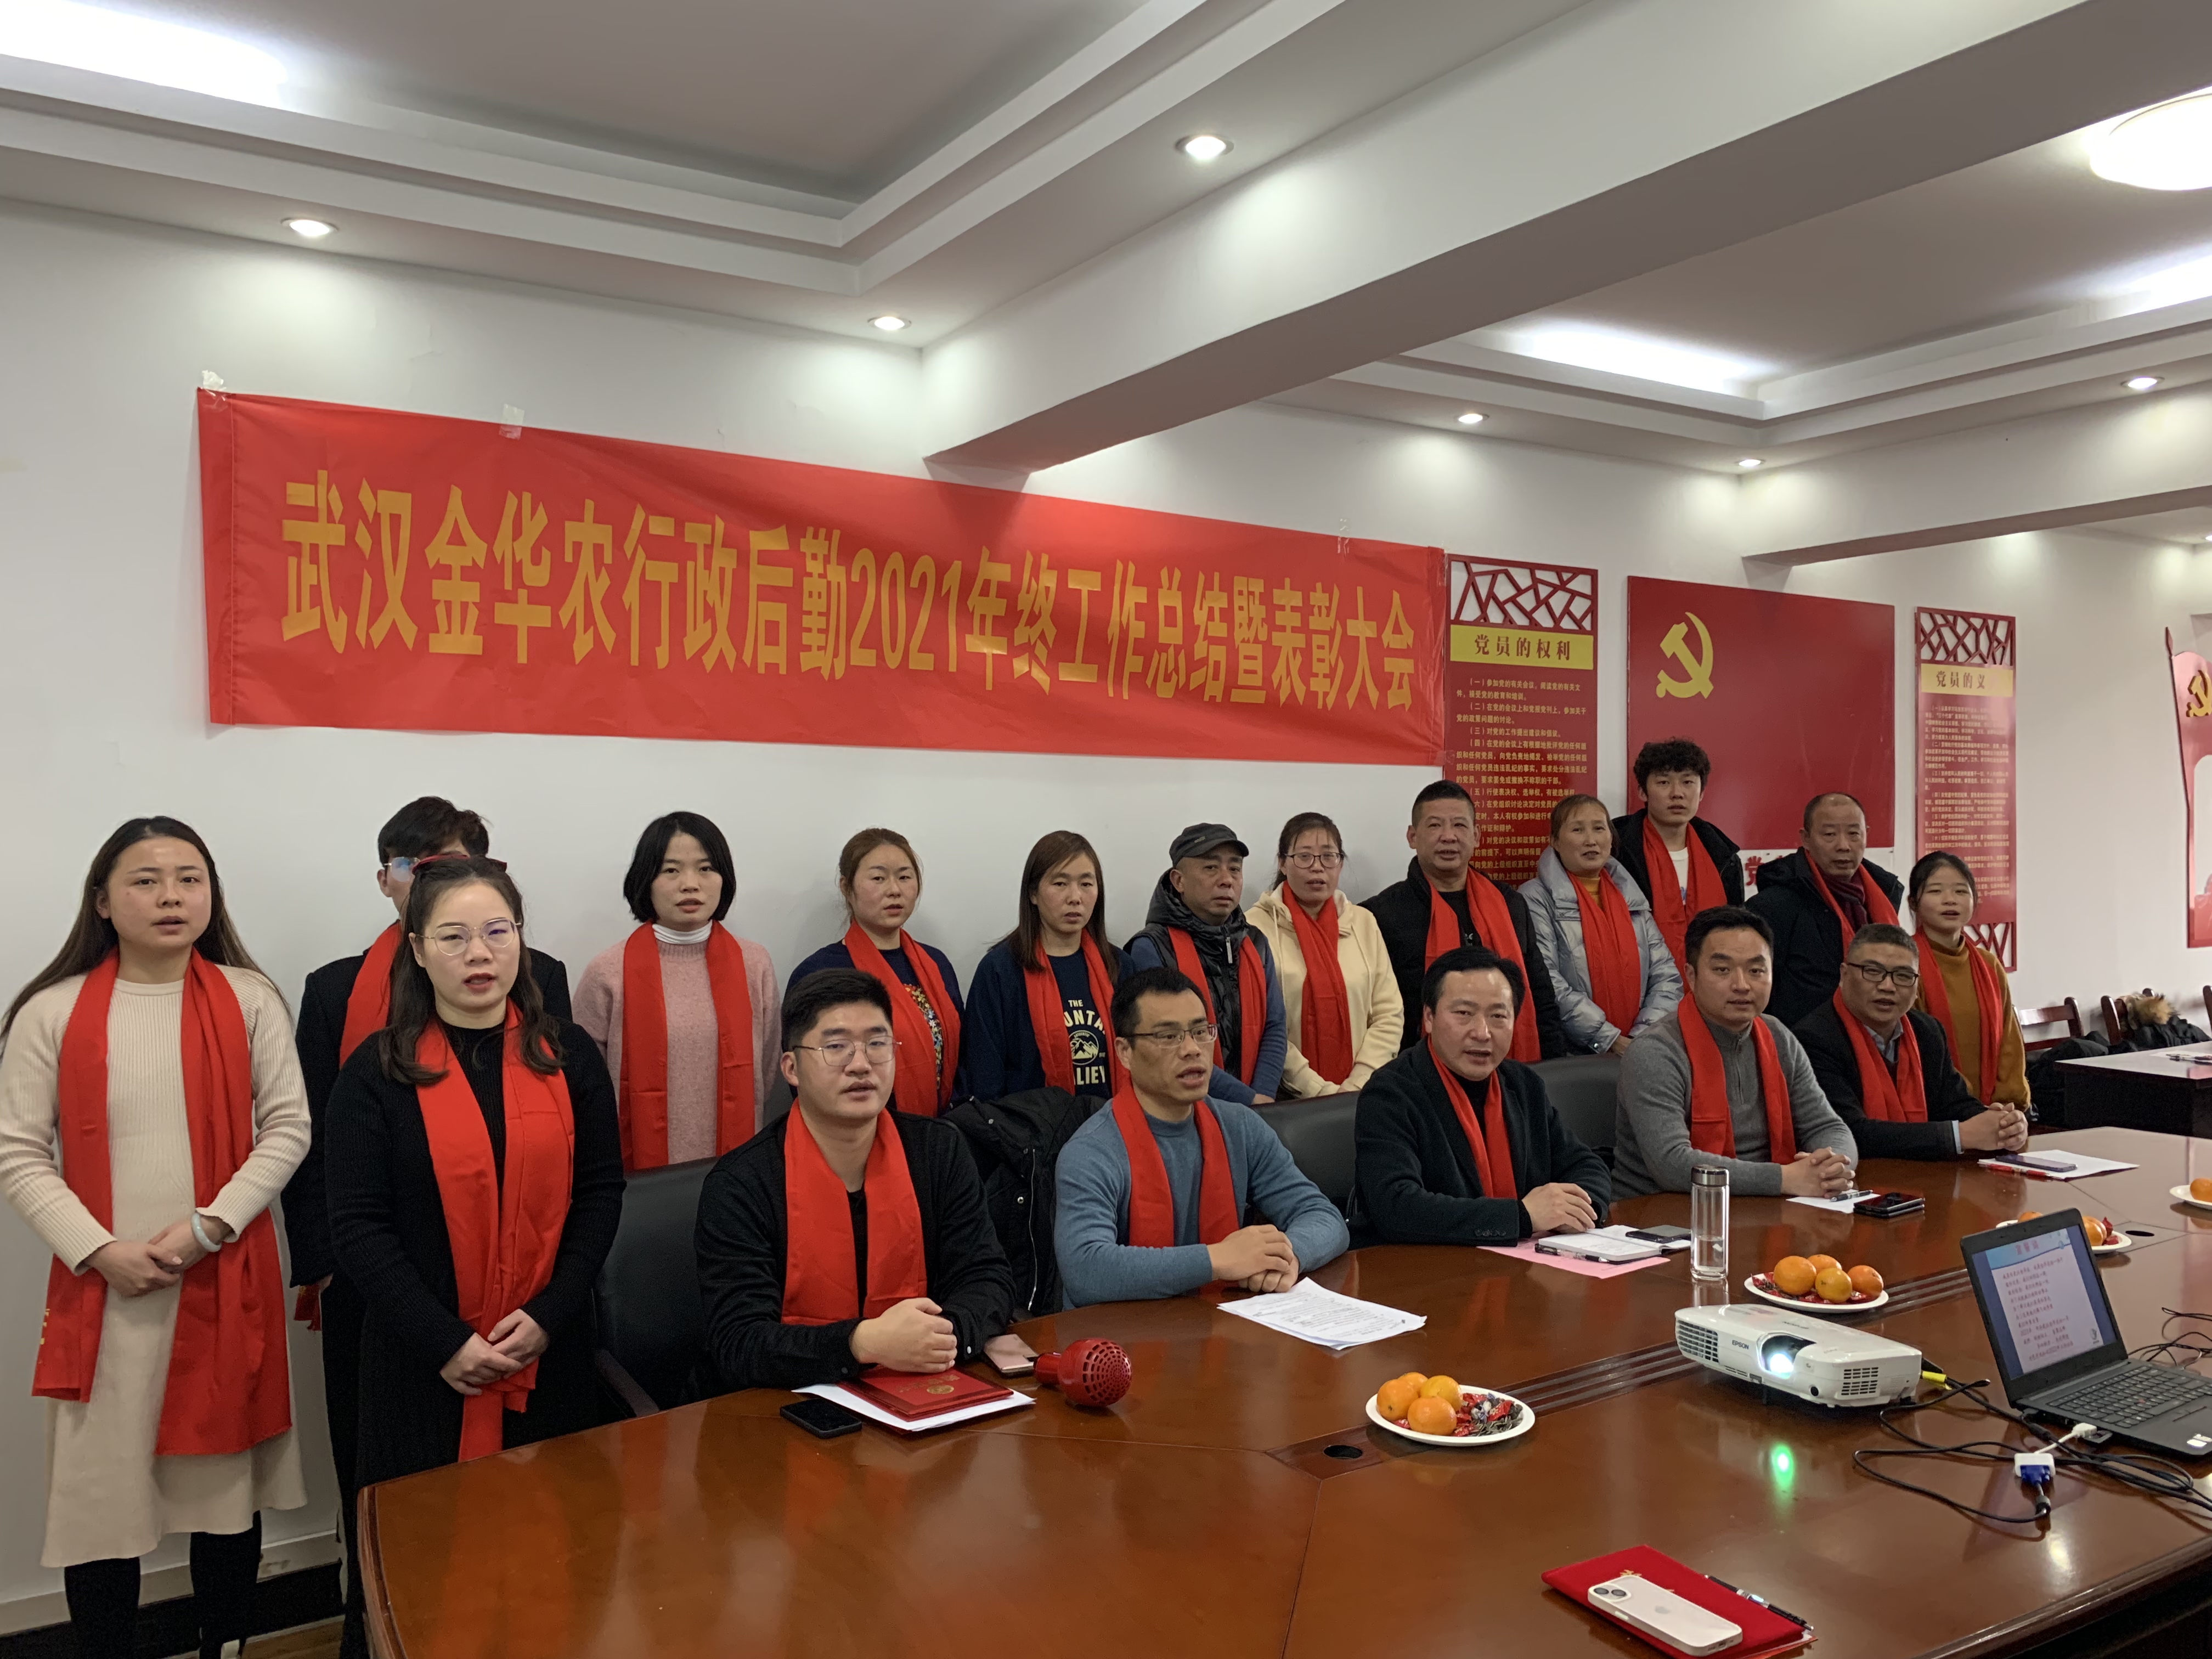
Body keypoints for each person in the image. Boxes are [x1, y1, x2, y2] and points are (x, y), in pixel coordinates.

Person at [0, 818, 308, 1659]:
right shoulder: (51, 1012)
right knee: (100, 1509)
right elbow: (17, 1151)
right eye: (145, 880)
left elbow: (288, 1127)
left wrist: (210, 1227)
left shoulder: (250, 999)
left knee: (224, 1500)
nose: (171, 896)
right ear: (102, 901)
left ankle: (226, 1646)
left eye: (189, 878)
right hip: (105, 1297)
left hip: (220, 1278)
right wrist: (101, 1251)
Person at [280, 793, 568, 1619]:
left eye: (455, 862)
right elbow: (315, 1142)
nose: (477, 952)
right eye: (417, 864)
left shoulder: (543, 983)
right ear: (388, 883)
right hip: (381, 1287)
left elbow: (570, 1152)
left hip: (529, 1293)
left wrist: (551, 1302)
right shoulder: (337, 990)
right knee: (389, 1487)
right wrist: (330, 1266)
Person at [325, 857, 623, 1652]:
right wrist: (447, 1342)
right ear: (417, 951)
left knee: (555, 1569)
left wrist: (550, 1314)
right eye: (453, 936)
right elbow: (358, 1228)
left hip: (548, 1354)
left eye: (497, 931)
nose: (480, 953)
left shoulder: (568, 1054)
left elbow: (600, 1193)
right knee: (423, 1582)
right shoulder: (376, 1073)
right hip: (421, 1368)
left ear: (521, 939)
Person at [696, 970, 1016, 1390]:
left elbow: (987, 1278)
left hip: (920, 1387)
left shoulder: (939, 1151)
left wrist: (939, 1337)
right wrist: (862, 1344)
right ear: (792, 1068)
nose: (861, 1064)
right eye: (836, 1047)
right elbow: (739, 1342)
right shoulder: (741, 1184)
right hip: (779, 1406)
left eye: (877, 1044)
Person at [1053, 966, 1348, 1307]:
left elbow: (1322, 1216)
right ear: (1124, 1052)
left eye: (1200, 1032)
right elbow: (1086, 1269)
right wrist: (1217, 1259)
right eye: (1168, 1036)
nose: (1192, 1049)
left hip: (1226, 1322)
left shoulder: (1240, 1126)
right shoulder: (1092, 1151)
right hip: (1120, 1335)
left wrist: (1286, 1257)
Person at [1350, 946, 1610, 1247]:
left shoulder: (1523, 1085)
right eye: (1464, 1013)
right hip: (1425, 1266)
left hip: (1523, 1260)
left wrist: (1576, 1210)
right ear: (1429, 1017)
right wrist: (1522, 1217)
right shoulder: (1390, 1093)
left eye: (1498, 1016)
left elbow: (1587, 1165)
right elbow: (1396, 1206)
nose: (1483, 1033)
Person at [574, 812, 781, 1169]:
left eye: (705, 868)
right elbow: (585, 1082)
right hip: (636, 1171)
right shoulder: (608, 971)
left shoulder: (754, 963)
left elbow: (766, 1065)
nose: (690, 884)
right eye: (671, 870)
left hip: (737, 1168)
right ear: (646, 880)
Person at [1612, 907, 1857, 1199]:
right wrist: (1784, 1178)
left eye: (1756, 971)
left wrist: (1830, 1169)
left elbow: (1828, 1126)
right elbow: (1671, 1164)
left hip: (1765, 1202)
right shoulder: (1655, 1051)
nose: (1742, 985)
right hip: (1663, 1208)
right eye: (1722, 970)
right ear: (1691, 976)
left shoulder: (1778, 1035)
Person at [1364, 780, 1566, 1060]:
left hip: (1510, 1066)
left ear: (1476, 835)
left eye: (1459, 825)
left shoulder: (1510, 904)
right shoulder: (1381, 914)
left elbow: (1540, 994)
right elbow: (1378, 1016)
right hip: (1420, 1071)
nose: (1448, 836)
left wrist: (1551, 1068)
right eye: (1435, 825)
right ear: (1412, 837)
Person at [1792, 924, 2029, 1160]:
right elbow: (1850, 1133)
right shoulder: (1813, 1039)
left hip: (1923, 1174)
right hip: (1853, 1175)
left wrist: (2002, 1125)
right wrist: (1959, 1136)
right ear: (1844, 975)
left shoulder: (1927, 1030)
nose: (1887, 986)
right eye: (1872, 972)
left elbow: (1953, 1103)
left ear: (1917, 986)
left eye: (1903, 976)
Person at [786, 830, 964, 1115]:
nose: (894, 890)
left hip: (940, 1128)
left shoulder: (936, 964)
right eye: (878, 878)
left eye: (904, 877)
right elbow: (806, 1074)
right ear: (847, 888)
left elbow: (962, 1058)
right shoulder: (821, 972)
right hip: (855, 1128)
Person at [1122, 825, 1288, 1106]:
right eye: (1211, 868)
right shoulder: (1152, 948)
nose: (1226, 880)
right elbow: (1170, 1043)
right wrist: (1248, 1101)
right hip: (1182, 1106)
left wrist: (1263, 1099)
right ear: (1179, 881)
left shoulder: (1255, 942)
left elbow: (1275, 1026)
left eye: (1235, 869)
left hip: (1260, 1105)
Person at [1248, 812, 1403, 1097]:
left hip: (1364, 1092)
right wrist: (1319, 1092)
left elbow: (1389, 1012)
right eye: (1304, 857)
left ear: (1340, 863)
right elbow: (1261, 1025)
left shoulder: (1363, 923)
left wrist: (1359, 1083)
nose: (1317, 867)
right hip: (1286, 1096)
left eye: (1328, 856)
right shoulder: (1255, 928)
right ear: (1282, 863)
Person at [963, 831, 1122, 1101]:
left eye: (1086, 884)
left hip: (1111, 1121)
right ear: (1033, 894)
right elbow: (985, 1080)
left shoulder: (1119, 966)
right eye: (1060, 884)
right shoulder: (1000, 971)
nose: (1075, 897)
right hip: (1030, 1125)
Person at [1520, 795, 1681, 1056]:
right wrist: (1609, 1039)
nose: (1591, 840)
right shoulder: (1536, 897)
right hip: (1572, 1054)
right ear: (1555, 842)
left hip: (1640, 1048)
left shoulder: (1631, 896)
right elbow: (1547, 980)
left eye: (1599, 828)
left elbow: (1666, 974)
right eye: (1577, 830)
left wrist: (1639, 1039)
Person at [1747, 792, 1905, 1026]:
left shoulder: (1883, 895)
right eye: (1830, 835)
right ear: (1806, 839)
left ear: (1866, 835)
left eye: (1854, 834)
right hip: (1802, 1039)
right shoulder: (1773, 906)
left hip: (1874, 1030)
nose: (1843, 846)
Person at [1611, 738, 1746, 978]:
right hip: (1637, 980)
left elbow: (1736, 930)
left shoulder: (1723, 855)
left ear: (1702, 792)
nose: (1677, 794)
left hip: (1713, 984)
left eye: (1688, 782)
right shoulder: (1616, 850)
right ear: (1642, 791)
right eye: (1664, 782)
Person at [1908, 852, 2030, 1110]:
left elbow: (2009, 1040)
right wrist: (1969, 1108)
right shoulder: (1905, 964)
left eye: (1961, 891)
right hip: (1939, 1110)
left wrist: (2008, 1105)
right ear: (1913, 902)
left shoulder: (1989, 964)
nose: (1950, 900)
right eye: (1936, 891)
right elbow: (1918, 1050)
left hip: (1997, 1110)